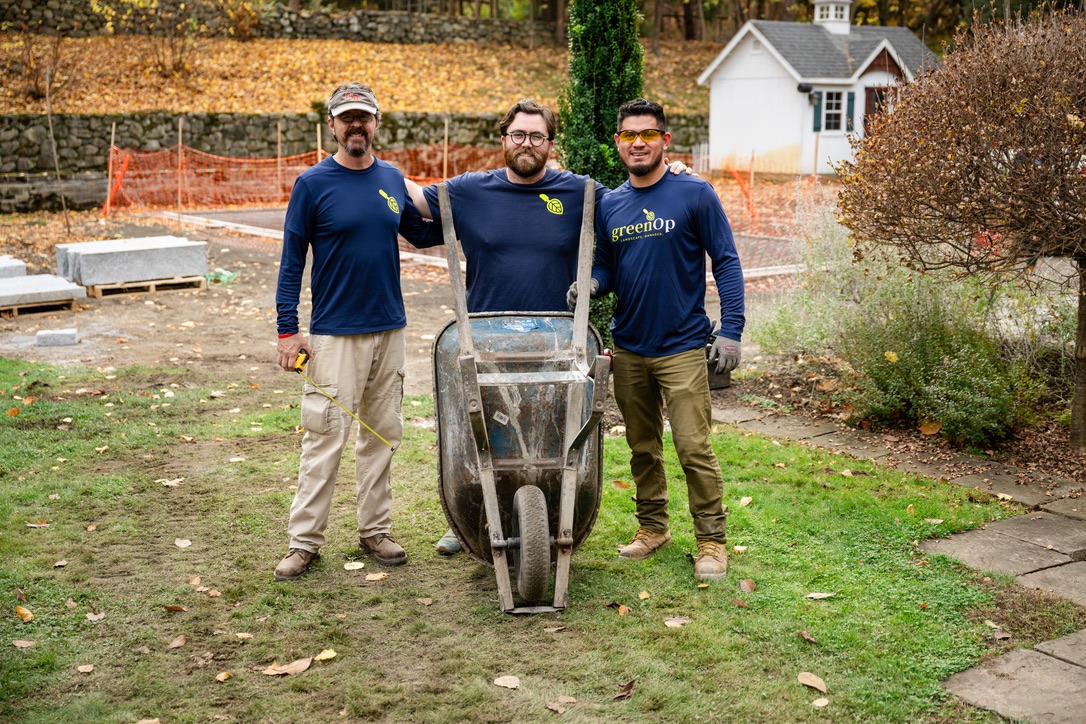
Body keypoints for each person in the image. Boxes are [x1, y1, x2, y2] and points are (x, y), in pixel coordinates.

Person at [408, 99, 692, 555]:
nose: (526, 144)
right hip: (487, 339)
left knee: (548, 436)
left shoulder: (581, 192)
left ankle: (553, 513)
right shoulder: (469, 191)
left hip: (557, 340)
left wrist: (672, 174)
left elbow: (634, 198)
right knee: (487, 432)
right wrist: (372, 170)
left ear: (550, 144)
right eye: (518, 135)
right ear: (504, 140)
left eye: (536, 136)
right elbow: (415, 200)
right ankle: (473, 516)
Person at [273, 82, 443, 581]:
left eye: (363, 117)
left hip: (389, 330)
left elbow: (423, 232)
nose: (355, 126)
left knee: (382, 434)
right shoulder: (312, 184)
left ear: (376, 124)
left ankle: (375, 530)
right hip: (333, 335)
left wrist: (483, 208)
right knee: (325, 436)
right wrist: (288, 331)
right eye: (346, 117)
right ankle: (304, 541)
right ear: (331, 124)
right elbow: (290, 263)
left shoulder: (391, 179)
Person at [569, 98, 744, 581]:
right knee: (642, 447)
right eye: (629, 135)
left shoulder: (694, 194)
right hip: (628, 348)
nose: (638, 143)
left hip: (684, 347)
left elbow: (726, 261)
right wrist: (594, 283)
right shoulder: (611, 204)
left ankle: (711, 541)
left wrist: (732, 331)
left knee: (693, 448)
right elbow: (606, 262)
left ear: (665, 140)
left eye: (648, 134)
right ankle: (652, 528)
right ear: (619, 143)